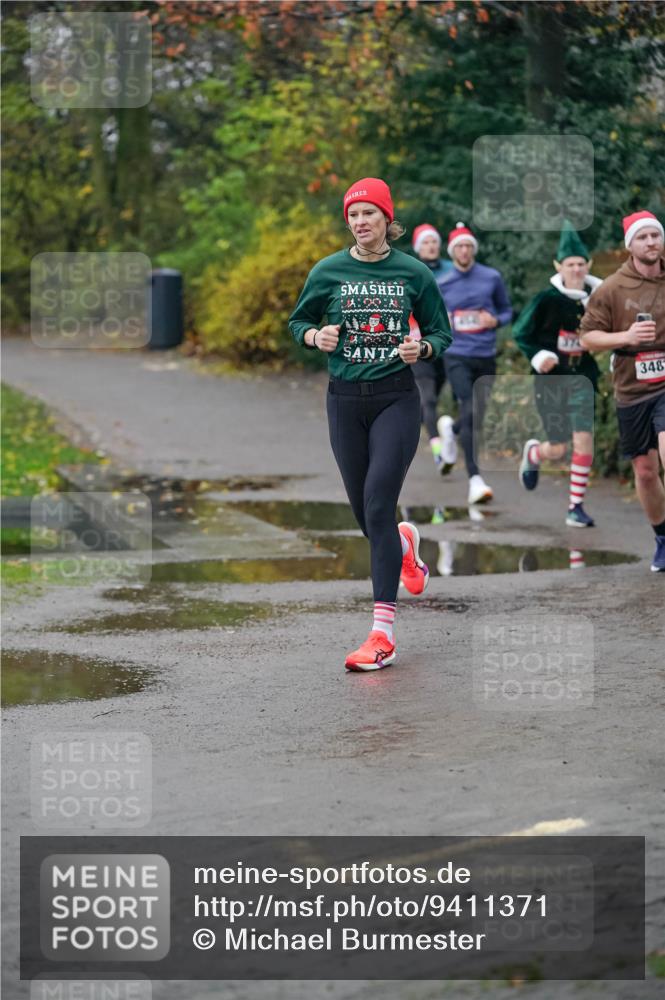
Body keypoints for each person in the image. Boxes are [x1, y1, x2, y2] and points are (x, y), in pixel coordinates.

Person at [289, 178, 452, 670]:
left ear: (387, 219)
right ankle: (404, 544)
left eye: (369, 214)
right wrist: (315, 336)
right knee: (368, 517)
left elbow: (441, 331)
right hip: (344, 401)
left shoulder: (413, 272)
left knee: (379, 503)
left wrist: (423, 348)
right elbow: (298, 322)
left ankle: (382, 635)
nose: (360, 222)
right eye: (353, 215)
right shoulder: (327, 271)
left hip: (395, 399)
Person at [579, 210, 665, 571]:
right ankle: (662, 538)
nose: (651, 242)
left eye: (655, 235)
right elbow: (587, 338)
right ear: (630, 245)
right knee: (645, 470)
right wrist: (625, 336)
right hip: (632, 387)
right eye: (642, 237)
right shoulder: (612, 288)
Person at [514, 220, 603, 527]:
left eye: (580, 264)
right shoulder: (546, 299)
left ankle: (575, 507)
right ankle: (535, 453)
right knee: (559, 448)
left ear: (588, 265)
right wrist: (538, 355)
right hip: (550, 380)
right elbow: (521, 332)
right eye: (570, 264)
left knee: (583, 440)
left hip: (583, 378)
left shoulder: (599, 298)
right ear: (559, 266)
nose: (576, 269)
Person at [436, 223, 513, 503]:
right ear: (452, 251)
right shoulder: (442, 283)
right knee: (469, 408)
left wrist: (496, 321)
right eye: (460, 246)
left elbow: (507, 310)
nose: (465, 251)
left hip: (485, 354)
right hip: (456, 354)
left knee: (476, 413)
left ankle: (451, 430)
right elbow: (431, 318)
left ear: (474, 250)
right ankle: (475, 479)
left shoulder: (491, 277)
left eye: (469, 246)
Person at [409, 224, 454, 473]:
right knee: (429, 398)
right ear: (418, 248)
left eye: (434, 241)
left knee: (425, 403)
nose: (431, 246)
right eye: (425, 242)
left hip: (447, 344)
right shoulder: (411, 271)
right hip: (419, 342)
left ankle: (399, 435)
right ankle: (439, 453)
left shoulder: (452, 270)